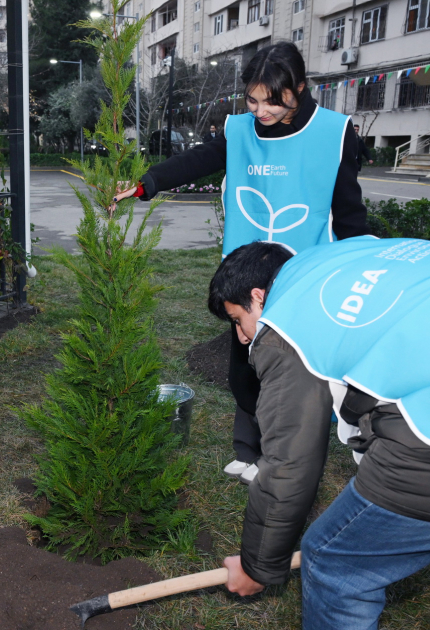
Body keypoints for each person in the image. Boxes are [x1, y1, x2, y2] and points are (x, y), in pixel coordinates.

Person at [113, 41, 370, 484]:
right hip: (247, 272)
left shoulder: (334, 132)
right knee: (243, 366)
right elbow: (198, 159)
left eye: (273, 101)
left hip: (305, 273)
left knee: (291, 372)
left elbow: (349, 210)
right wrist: (147, 184)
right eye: (252, 100)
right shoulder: (240, 130)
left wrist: (363, 262)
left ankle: (277, 455)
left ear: (299, 88)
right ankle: (246, 450)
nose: (261, 111)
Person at [208, 238, 430, 629]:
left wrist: (256, 565)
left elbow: (290, 462)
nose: (242, 337)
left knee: (334, 563)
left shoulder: (288, 325)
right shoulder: (348, 254)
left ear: (258, 297)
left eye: (237, 320)